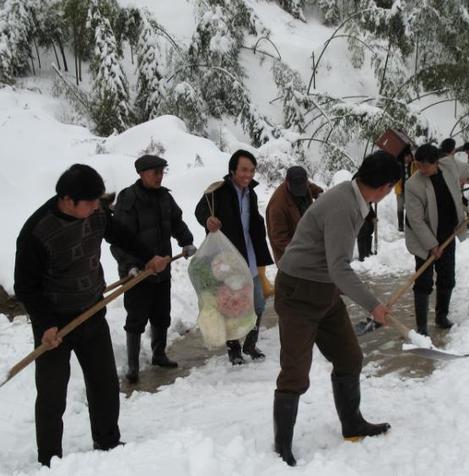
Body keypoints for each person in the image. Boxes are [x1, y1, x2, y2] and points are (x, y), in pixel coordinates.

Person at [14, 164, 169, 466]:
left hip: (92, 309)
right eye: (90, 202)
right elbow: (26, 287)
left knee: (104, 383)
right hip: (56, 322)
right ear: (68, 200)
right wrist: (45, 325)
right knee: (51, 394)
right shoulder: (37, 232)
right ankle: (49, 460)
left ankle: (108, 440)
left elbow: (120, 234)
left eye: (99, 201)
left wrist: (148, 257)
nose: (98, 207)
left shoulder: (96, 213)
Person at [272, 151, 401, 467]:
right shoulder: (344, 205)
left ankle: (352, 423)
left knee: (349, 357)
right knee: (295, 373)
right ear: (385, 187)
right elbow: (339, 268)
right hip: (298, 292)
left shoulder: (353, 197)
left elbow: (334, 270)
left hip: (324, 291)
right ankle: (282, 446)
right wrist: (374, 306)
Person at [110, 155, 196, 384]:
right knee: (136, 318)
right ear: (141, 173)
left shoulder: (165, 197)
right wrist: (129, 267)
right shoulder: (128, 200)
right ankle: (133, 365)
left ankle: (159, 354)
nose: (159, 177)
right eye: (154, 172)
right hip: (137, 273)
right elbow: (118, 239)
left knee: (161, 315)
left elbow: (176, 222)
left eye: (161, 172)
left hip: (162, 268)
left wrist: (186, 241)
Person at [195, 149, 274, 365]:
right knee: (231, 304)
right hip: (227, 259)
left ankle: (250, 343)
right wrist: (208, 220)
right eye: (244, 170)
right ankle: (234, 348)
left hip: (248, 256)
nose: (248, 175)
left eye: (251, 170)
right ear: (232, 170)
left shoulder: (252, 193)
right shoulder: (218, 191)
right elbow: (200, 211)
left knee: (257, 303)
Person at [405, 144, 469, 336]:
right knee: (424, 282)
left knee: (447, 278)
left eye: (425, 166)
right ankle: (421, 328)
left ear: (436, 162)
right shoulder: (413, 185)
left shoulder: (449, 166)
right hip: (423, 239)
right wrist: (432, 245)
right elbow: (415, 220)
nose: (421, 169)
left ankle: (441, 317)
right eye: (418, 165)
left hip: (448, 234)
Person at [265, 165, 323, 264]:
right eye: (297, 189)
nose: (300, 192)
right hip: (288, 255)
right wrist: (301, 253)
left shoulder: (303, 183)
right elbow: (279, 239)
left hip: (304, 240)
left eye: (302, 188)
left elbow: (310, 186)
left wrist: (318, 193)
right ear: (287, 182)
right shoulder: (277, 206)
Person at [394, 146, 415, 232]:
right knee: (400, 207)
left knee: (410, 208)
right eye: (407, 156)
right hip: (400, 190)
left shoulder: (413, 164)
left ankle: (409, 225)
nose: (408, 158)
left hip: (410, 190)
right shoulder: (398, 164)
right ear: (403, 157)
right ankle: (400, 226)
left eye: (410, 156)